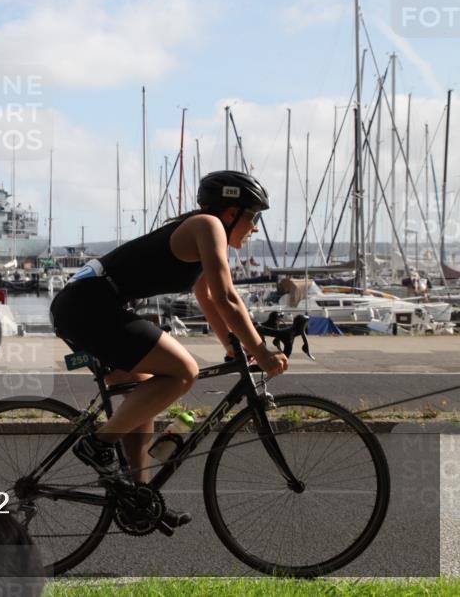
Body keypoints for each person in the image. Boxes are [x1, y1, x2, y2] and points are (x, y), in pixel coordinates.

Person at [50, 170, 289, 528]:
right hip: (90, 306)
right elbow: (226, 297)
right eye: (253, 216)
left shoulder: (204, 230)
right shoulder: (207, 226)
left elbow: (207, 296)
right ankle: (97, 444)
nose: (254, 227)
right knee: (184, 371)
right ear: (230, 213)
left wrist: (233, 346)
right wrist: (262, 350)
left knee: (142, 388)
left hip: (89, 304)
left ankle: (138, 499)